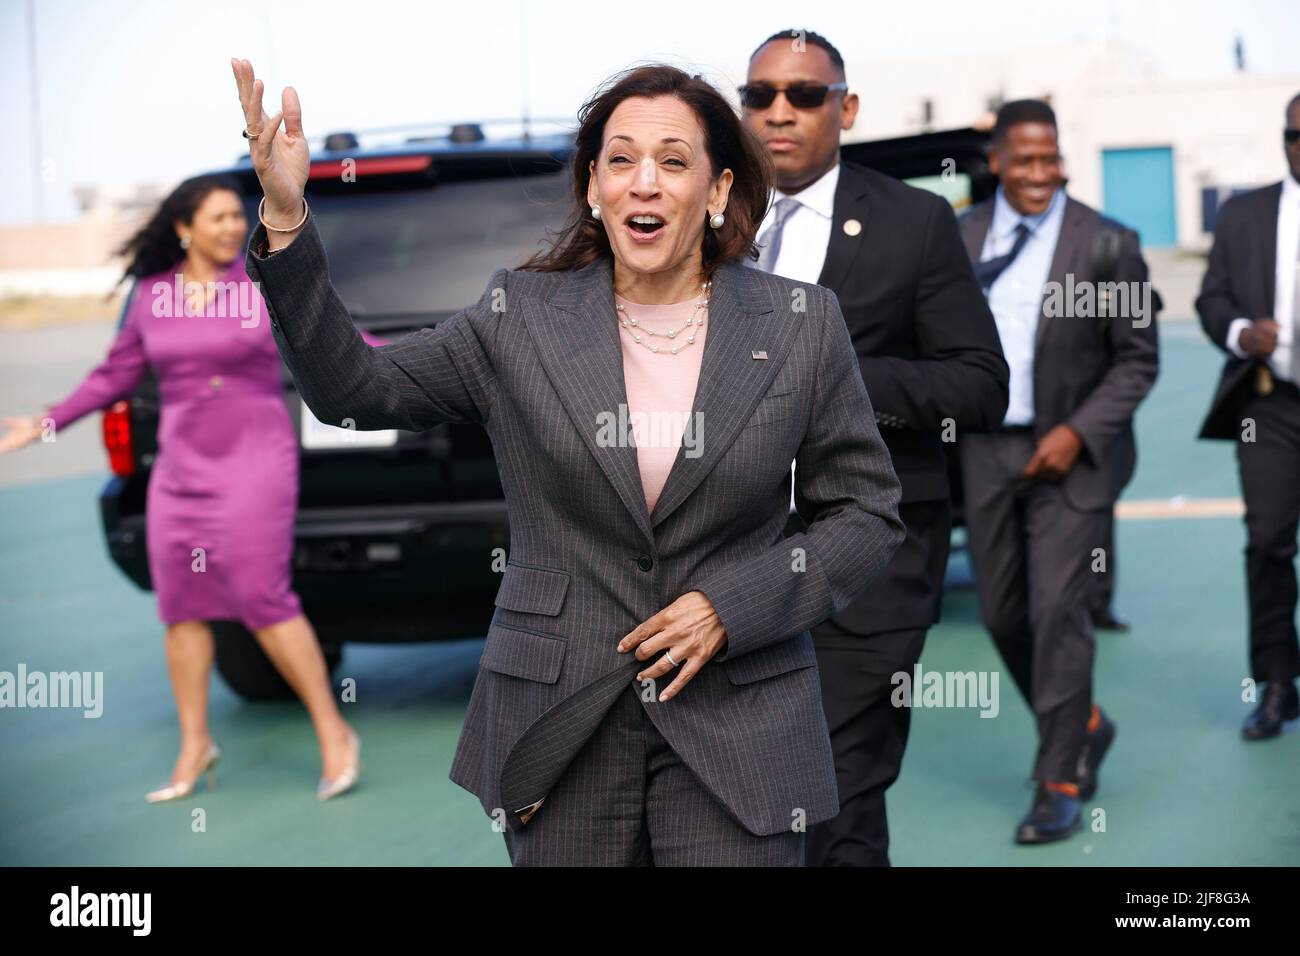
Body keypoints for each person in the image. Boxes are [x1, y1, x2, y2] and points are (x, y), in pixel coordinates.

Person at [231, 56, 905, 866]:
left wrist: (736, 605)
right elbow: (353, 391)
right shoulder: (519, 317)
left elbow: (865, 515)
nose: (644, 183)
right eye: (620, 160)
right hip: (562, 726)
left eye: (674, 161)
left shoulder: (803, 324)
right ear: (593, 186)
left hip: (740, 726)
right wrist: (285, 213)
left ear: (719, 192)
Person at [0, 175, 379, 802]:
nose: (234, 227)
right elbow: (111, 377)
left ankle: (334, 733)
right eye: (219, 218)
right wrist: (43, 424)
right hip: (178, 478)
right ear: (184, 228)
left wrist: (431, 366)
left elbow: (337, 343)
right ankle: (195, 742)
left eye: (238, 216)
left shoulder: (261, 288)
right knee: (182, 610)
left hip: (255, 465)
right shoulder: (153, 298)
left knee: (263, 598)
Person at [740, 29, 1008, 866]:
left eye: (805, 95)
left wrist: (835, 375)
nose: (780, 113)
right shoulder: (704, 217)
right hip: (723, 565)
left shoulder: (915, 222)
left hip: (867, 567)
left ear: (845, 108)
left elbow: (979, 385)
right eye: (761, 96)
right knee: (746, 802)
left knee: (834, 797)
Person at [956, 99, 1159, 844]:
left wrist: (1077, 432)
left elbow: (1139, 357)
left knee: (1060, 611)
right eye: (1025, 159)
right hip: (986, 452)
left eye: (1051, 158)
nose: (1040, 173)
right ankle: (1087, 722)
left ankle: (1059, 776)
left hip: (1072, 456)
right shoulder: (961, 238)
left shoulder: (1109, 243)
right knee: (1003, 614)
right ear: (998, 162)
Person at [1196, 91, 1300, 740]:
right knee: (1267, 544)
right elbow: (1211, 300)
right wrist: (1239, 332)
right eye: (1296, 134)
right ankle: (1275, 684)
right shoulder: (1243, 214)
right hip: (1270, 405)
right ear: (1284, 138)